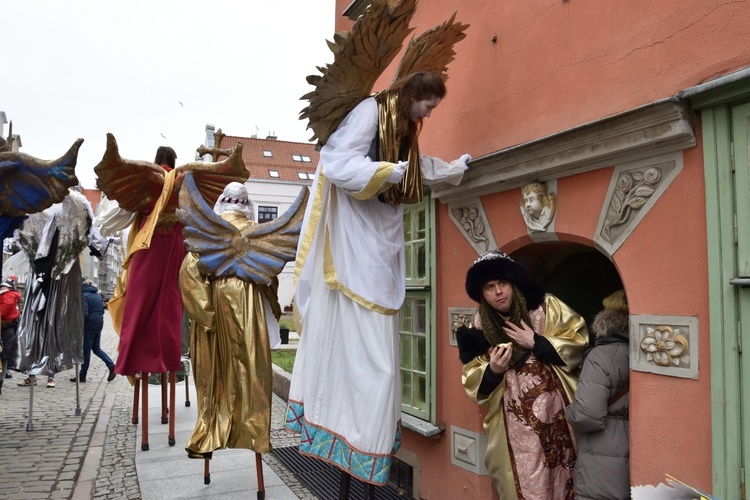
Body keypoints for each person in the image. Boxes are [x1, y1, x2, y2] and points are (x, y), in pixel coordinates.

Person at [285, 71, 471, 485]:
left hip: (382, 236)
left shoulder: (400, 123)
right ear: (413, 94)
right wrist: (386, 172)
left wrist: (453, 170)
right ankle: (351, 435)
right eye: (429, 104)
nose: (430, 113)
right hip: (354, 237)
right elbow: (338, 164)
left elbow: (415, 167)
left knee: (377, 355)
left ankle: (363, 438)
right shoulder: (371, 111)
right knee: (374, 359)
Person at [456, 249, 589, 499]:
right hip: (514, 427)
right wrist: (493, 370)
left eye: (503, 283)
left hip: (559, 416)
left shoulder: (545, 307)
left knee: (566, 479)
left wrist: (537, 342)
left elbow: (579, 341)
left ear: (513, 282)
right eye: (490, 286)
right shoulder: (478, 328)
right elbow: (473, 383)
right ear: (482, 294)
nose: (498, 292)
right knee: (528, 485)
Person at [179, 181, 288, 459]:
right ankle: (253, 434)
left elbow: (190, 274)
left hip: (214, 304)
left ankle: (211, 429)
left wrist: (206, 315)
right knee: (250, 370)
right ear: (246, 205)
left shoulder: (207, 230)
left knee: (213, 373)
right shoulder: (256, 234)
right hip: (248, 310)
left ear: (222, 202)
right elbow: (270, 278)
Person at [112, 146, 185, 377]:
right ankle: (170, 359)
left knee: (139, 299)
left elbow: (124, 212)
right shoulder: (183, 179)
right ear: (174, 160)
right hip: (175, 241)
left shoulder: (145, 177)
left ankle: (133, 359)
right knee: (171, 299)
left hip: (148, 240)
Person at [565, 290, 630, 500]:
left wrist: (568, 410)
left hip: (602, 457)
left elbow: (586, 415)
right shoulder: (644, 353)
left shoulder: (600, 356)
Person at [70, 279, 115, 383]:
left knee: (86, 351)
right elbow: (102, 310)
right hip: (98, 323)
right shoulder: (97, 295)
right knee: (96, 348)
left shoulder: (84, 295)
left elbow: (84, 313)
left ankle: (82, 375)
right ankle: (111, 365)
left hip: (89, 325)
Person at [0, 279, 21, 394]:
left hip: (6, 328)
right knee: (4, 357)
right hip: (8, 327)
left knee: (3, 357)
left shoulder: (7, 296)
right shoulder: (12, 296)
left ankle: (1, 381)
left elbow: (4, 309)